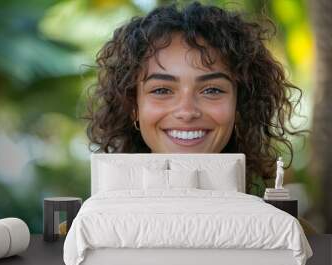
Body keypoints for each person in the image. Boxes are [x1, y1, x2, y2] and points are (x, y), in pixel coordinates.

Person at [83, 1, 306, 197]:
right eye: (162, 90)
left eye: (211, 90)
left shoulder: (287, 233)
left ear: (240, 104)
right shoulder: (83, 235)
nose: (187, 111)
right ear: (133, 106)